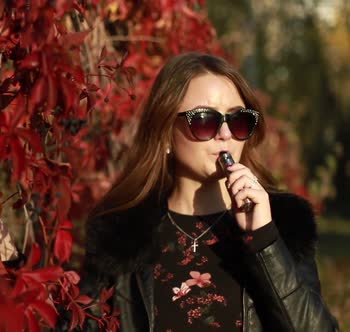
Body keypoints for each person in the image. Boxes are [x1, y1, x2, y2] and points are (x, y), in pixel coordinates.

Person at [81, 52, 339, 331]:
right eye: (205, 120)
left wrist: (265, 240)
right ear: (165, 132)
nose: (226, 134)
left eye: (238, 120)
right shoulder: (121, 235)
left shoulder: (285, 223)